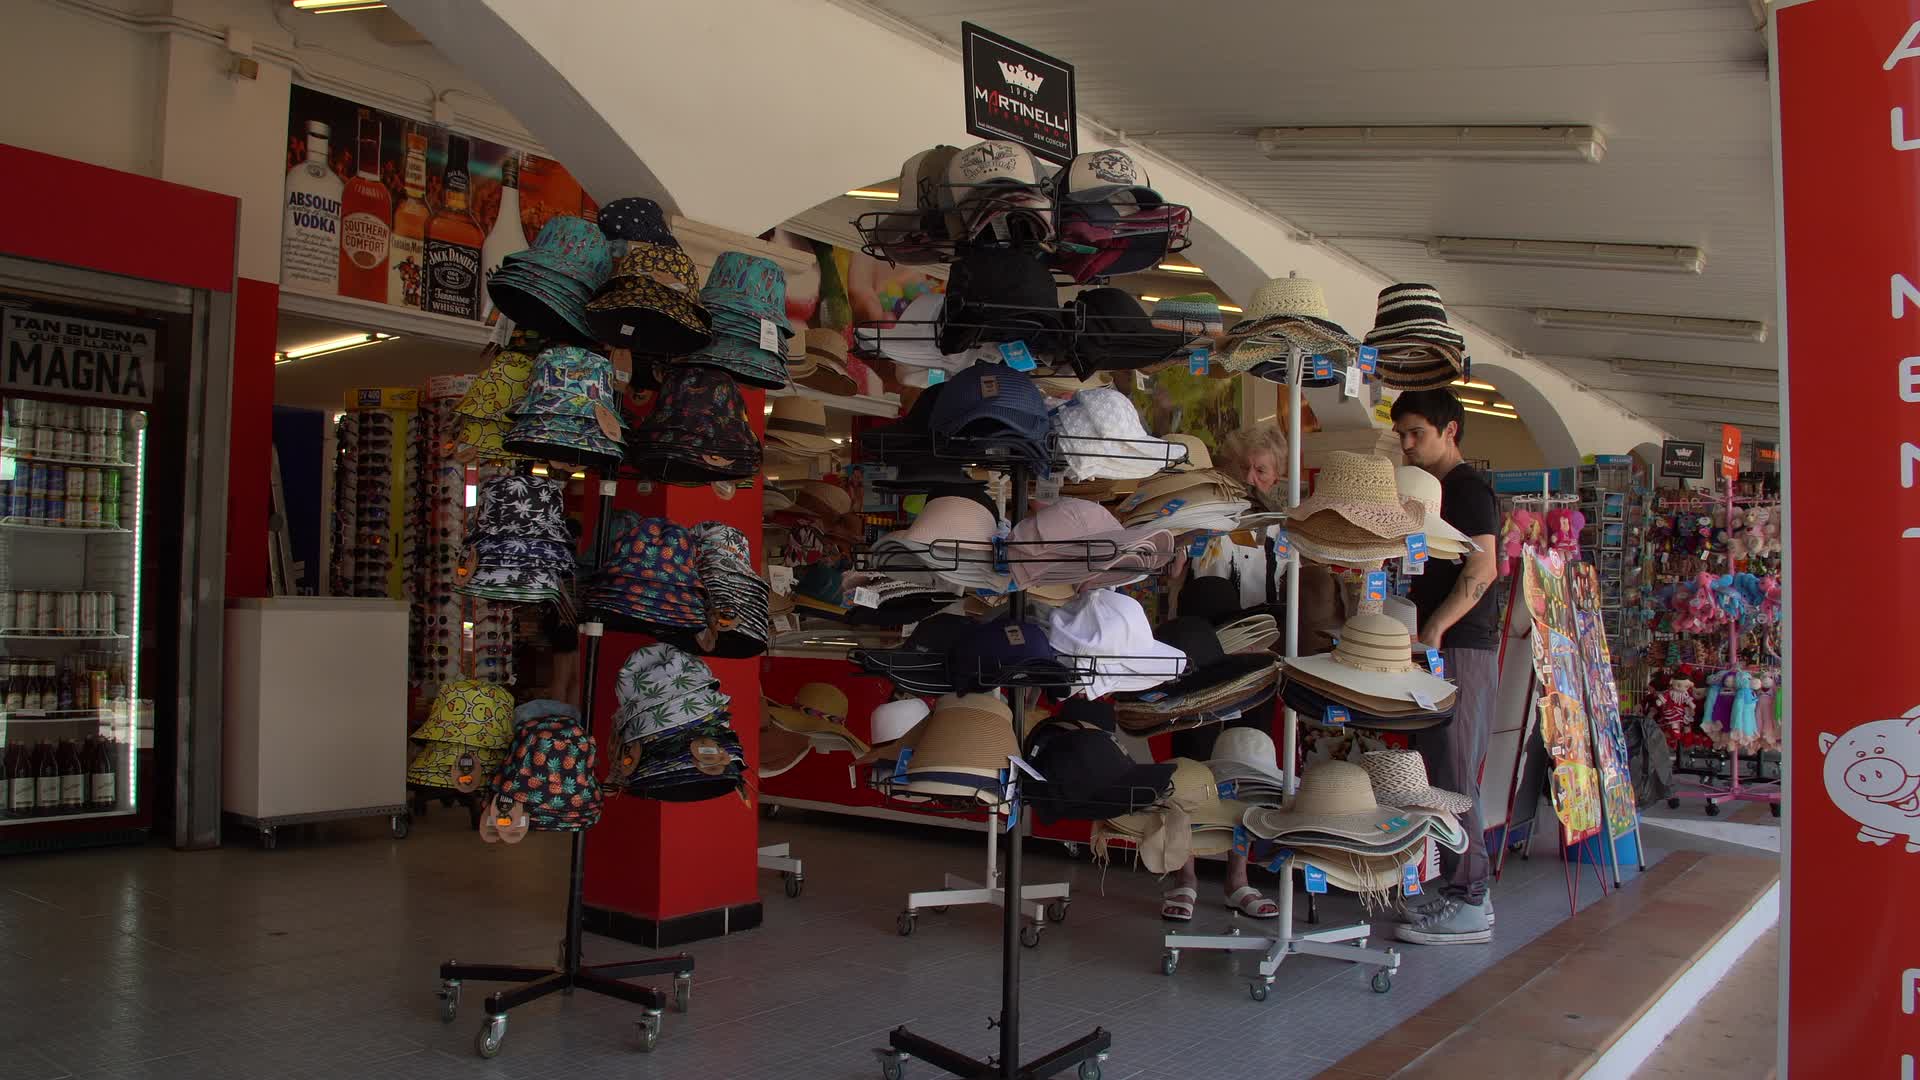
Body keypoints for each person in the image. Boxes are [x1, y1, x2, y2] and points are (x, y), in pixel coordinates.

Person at [1389, 390, 1501, 945]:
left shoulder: (1466, 490)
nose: (1407, 445)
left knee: (1456, 776)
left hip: (1460, 649)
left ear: (1449, 430)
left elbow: (1484, 568)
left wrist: (1438, 628)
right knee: (1438, 773)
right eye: (1401, 435)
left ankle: (1472, 900)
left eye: (1417, 434)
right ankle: (1460, 890)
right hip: (1437, 648)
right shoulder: (1431, 492)